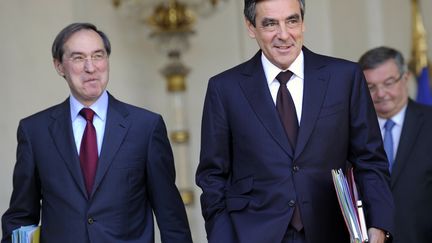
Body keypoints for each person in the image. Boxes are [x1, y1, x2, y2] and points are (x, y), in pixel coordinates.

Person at [195, 0, 394, 242]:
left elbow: (370, 159)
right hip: (253, 233)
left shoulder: (344, 77)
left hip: (333, 232)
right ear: (250, 27)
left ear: (303, 22)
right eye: (270, 24)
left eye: (292, 20)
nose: (284, 34)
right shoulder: (225, 89)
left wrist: (378, 225)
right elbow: (213, 176)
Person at [1, 23, 193, 243]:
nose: (91, 68)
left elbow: (171, 218)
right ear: (59, 66)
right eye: (78, 58)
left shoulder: (146, 127)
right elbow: (21, 217)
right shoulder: (35, 132)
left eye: (98, 55)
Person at [359, 46, 432, 243]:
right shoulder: (354, 131)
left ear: (406, 77)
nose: (380, 94)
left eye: (388, 83)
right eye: (371, 87)